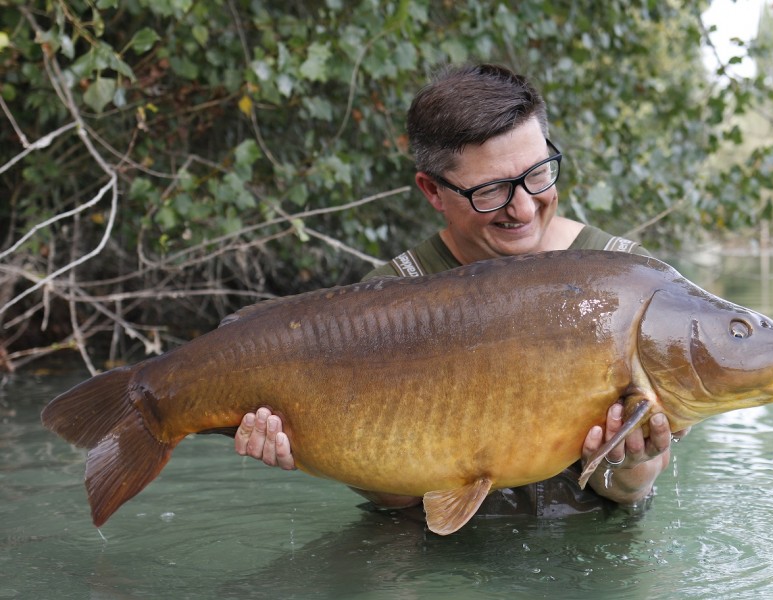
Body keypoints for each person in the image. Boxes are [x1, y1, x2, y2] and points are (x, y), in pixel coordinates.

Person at [235, 64, 687, 516]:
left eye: (537, 175)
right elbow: (401, 500)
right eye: (491, 191)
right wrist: (315, 448)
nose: (525, 208)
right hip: (434, 550)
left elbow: (632, 493)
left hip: (587, 544)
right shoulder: (386, 300)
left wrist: (627, 464)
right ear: (432, 190)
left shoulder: (631, 280)